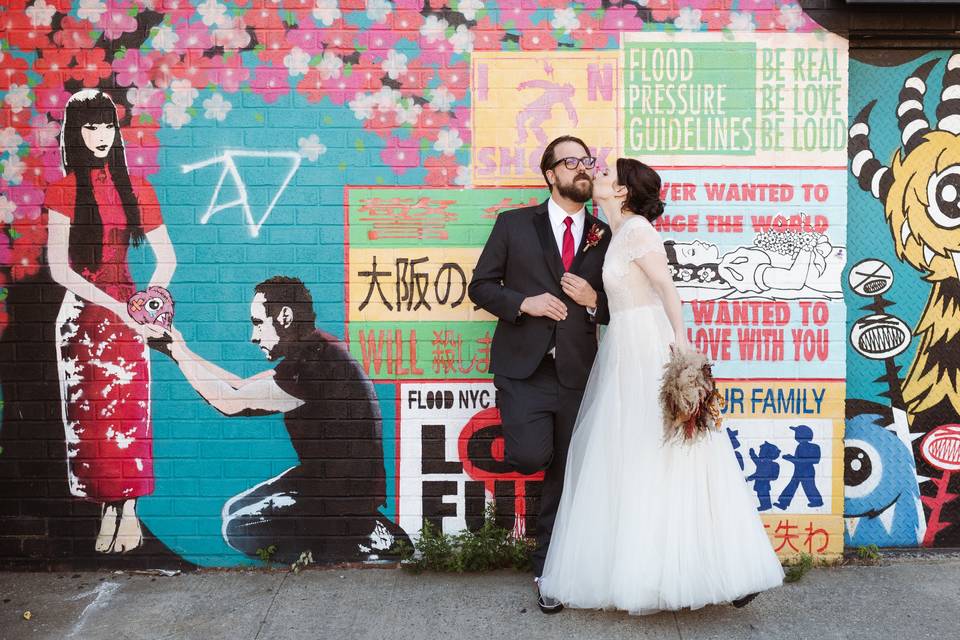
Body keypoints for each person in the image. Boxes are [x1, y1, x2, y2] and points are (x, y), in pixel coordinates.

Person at [539, 158, 783, 614]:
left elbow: (667, 288)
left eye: (607, 174)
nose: (598, 176)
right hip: (622, 347)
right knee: (632, 450)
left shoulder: (637, 232)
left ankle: (716, 567)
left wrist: (680, 344)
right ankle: (643, 568)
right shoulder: (616, 233)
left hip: (648, 347)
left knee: (668, 449)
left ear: (624, 191)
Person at [165, 276, 408, 562]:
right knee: (232, 510)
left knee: (239, 528)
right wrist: (180, 348)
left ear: (285, 317)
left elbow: (230, 403)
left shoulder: (314, 365)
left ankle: (356, 541)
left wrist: (176, 352)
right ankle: (361, 530)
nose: (253, 336)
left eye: (258, 323)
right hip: (324, 477)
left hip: (343, 492)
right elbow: (240, 389)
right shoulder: (314, 351)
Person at [468, 135, 611, 613]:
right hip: (523, 371)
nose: (583, 169)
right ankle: (552, 555)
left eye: (587, 161)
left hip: (576, 371)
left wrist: (596, 303)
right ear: (550, 174)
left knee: (565, 476)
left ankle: (549, 570)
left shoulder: (603, 234)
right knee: (532, 458)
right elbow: (481, 286)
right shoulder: (514, 224)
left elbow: (620, 300)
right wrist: (523, 303)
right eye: (572, 162)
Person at [45, 89, 176, 554]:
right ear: (75, 133)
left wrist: (148, 302)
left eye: (106, 126)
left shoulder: (136, 187)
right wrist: (116, 306)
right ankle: (107, 510)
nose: (99, 136)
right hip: (81, 318)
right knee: (90, 418)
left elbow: (167, 258)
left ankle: (130, 510)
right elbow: (60, 269)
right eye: (89, 127)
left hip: (129, 318)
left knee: (128, 417)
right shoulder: (63, 190)